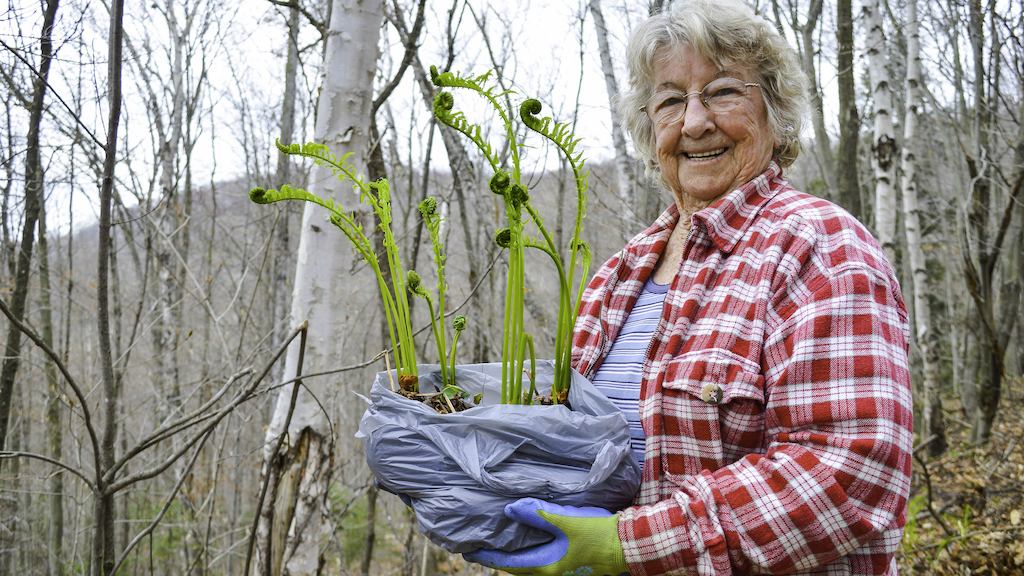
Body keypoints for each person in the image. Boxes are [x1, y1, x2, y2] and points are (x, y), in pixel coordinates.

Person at [465, 0, 914, 574]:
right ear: (649, 125)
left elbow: (853, 470)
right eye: (672, 100)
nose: (695, 122)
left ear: (774, 114)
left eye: (723, 92)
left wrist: (628, 545)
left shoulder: (818, 247)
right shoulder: (618, 276)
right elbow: (574, 450)